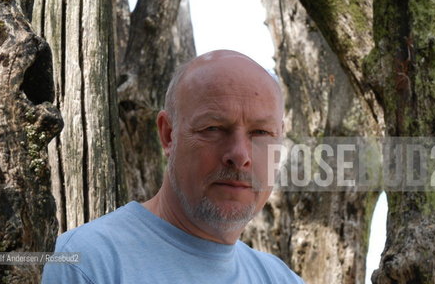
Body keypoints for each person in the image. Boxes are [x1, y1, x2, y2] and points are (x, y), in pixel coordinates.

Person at [42, 50, 304, 283]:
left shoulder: (280, 278)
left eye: (260, 132)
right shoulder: (83, 266)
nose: (239, 155)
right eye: (213, 128)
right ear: (169, 135)